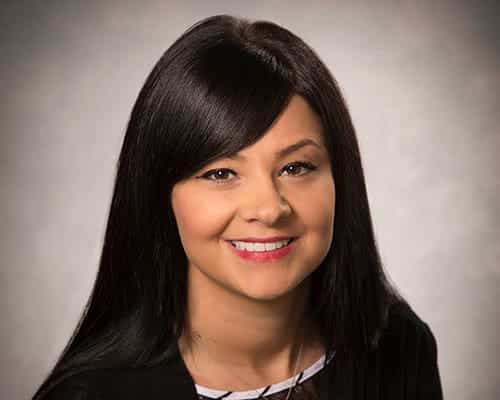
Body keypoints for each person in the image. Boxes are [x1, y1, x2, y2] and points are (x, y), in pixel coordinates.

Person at [33, 14, 443, 400]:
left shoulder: (400, 349)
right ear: (159, 195)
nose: (268, 208)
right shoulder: (91, 396)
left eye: (296, 167)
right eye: (220, 174)